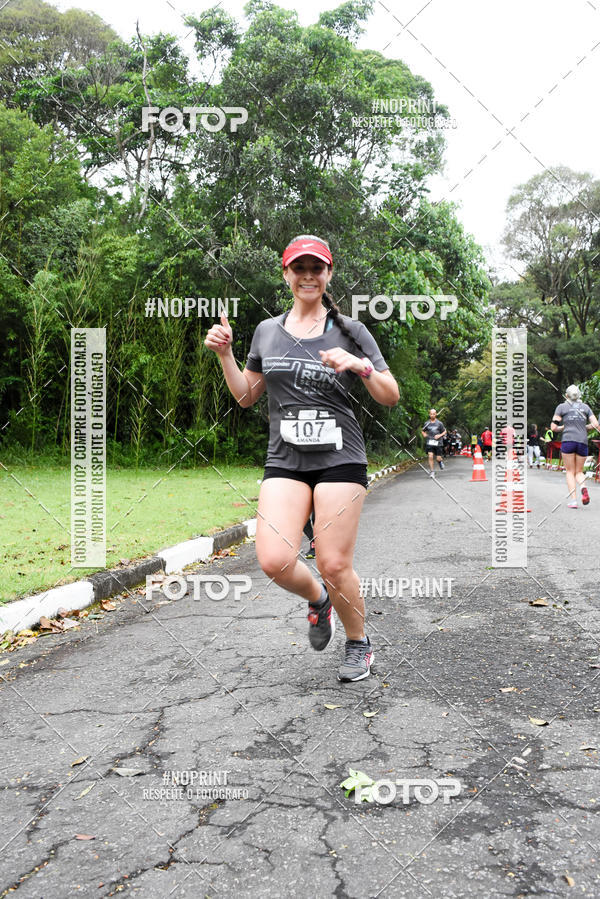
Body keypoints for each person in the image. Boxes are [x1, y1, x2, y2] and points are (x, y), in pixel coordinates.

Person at [204, 234, 399, 681]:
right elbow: (246, 396)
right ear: (287, 274)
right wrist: (225, 355)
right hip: (285, 459)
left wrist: (359, 365)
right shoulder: (267, 331)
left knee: (333, 562)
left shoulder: (351, 331)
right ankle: (318, 599)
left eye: (317, 268)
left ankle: (358, 644)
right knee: (273, 559)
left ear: (329, 274)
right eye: (299, 268)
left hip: (339, 457)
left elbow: (390, 395)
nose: (308, 276)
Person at [551, 384, 600, 508]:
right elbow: (595, 424)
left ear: (567, 395)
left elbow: (553, 427)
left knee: (570, 471)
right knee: (579, 471)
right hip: (582, 441)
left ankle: (573, 500)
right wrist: (585, 427)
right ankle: (583, 488)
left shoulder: (561, 407)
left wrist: (563, 427)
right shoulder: (585, 407)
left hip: (568, 441)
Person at [421, 410, 447, 478]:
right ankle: (432, 471)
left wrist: (439, 435)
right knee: (430, 456)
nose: (432, 415)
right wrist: (424, 434)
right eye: (431, 414)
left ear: (436, 414)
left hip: (438, 443)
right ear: (429, 414)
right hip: (430, 442)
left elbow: (444, 431)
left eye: (434, 414)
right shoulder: (427, 423)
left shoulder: (439, 423)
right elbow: (423, 431)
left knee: (438, 458)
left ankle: (440, 462)